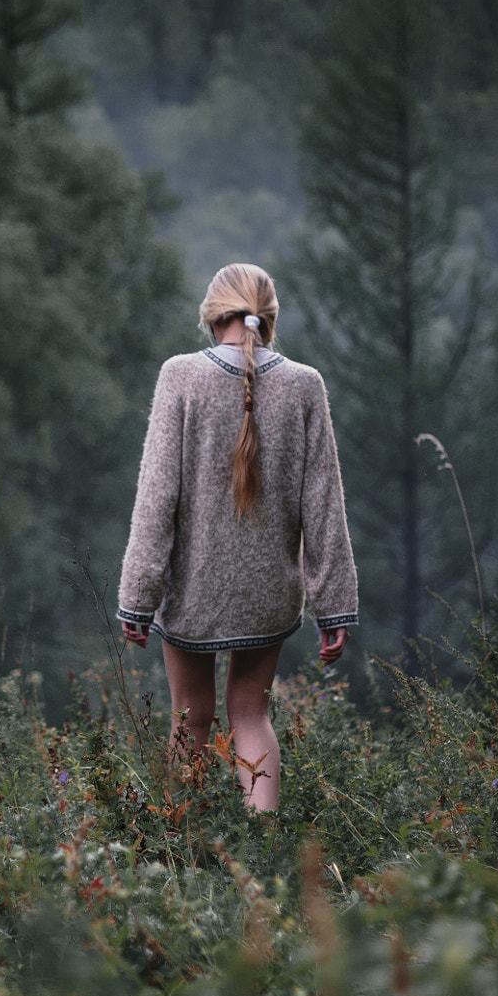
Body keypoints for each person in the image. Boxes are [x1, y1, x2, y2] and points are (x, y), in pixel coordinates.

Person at [117, 262, 359, 812]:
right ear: (268, 318)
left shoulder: (180, 375)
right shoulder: (305, 385)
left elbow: (157, 497)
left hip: (191, 590)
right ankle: (264, 847)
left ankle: (185, 846)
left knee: (190, 716)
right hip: (269, 593)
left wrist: (138, 595)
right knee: (251, 713)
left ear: (212, 314)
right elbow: (323, 504)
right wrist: (334, 608)